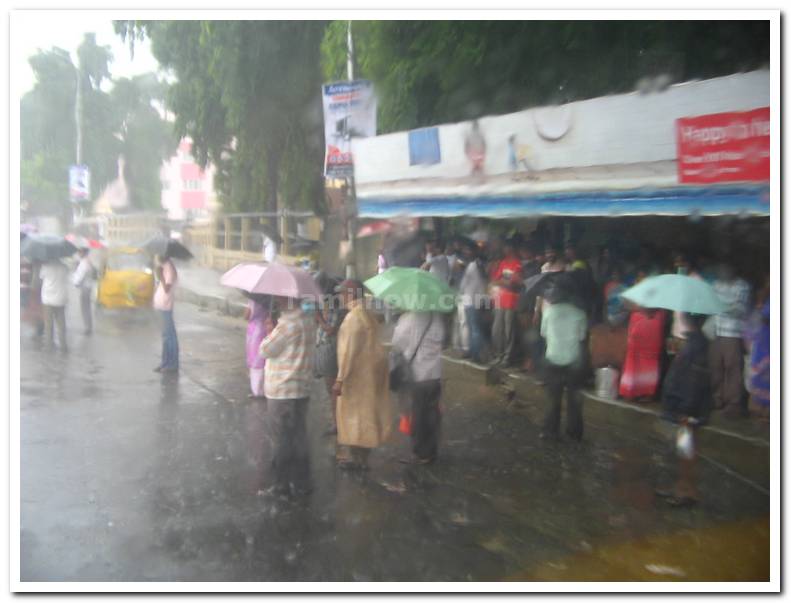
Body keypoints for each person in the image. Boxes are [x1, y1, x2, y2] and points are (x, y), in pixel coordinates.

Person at [258, 296, 316, 497]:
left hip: (283, 391)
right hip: (301, 389)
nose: (277, 300)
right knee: (298, 438)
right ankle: (302, 483)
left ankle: (280, 484)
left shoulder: (287, 324)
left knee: (281, 440)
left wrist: (269, 331)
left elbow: (265, 350)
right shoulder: (308, 320)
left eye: (281, 297)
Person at [332, 280, 392, 470]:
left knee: (353, 418)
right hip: (370, 374)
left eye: (342, 293)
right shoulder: (367, 314)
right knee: (366, 417)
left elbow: (348, 352)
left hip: (356, 377)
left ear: (350, 294)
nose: (340, 297)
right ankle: (362, 458)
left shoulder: (353, 319)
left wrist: (340, 379)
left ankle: (357, 460)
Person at [657, 313, 712, 507]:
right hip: (685, 406)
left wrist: (686, 409)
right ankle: (681, 485)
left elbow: (694, 380)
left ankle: (687, 490)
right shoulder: (693, 342)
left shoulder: (698, 346)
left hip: (689, 408)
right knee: (683, 450)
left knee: (687, 450)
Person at [392, 309, 446, 465]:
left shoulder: (409, 317)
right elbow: (441, 339)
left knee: (418, 415)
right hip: (434, 373)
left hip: (417, 374)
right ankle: (431, 450)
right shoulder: (436, 317)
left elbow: (398, 342)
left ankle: (420, 453)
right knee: (432, 414)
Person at [539, 278, 588, 441]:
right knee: (574, 400)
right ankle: (574, 433)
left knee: (553, 398)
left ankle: (550, 431)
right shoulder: (580, 313)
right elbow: (582, 337)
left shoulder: (548, 312)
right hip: (574, 361)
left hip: (552, 358)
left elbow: (543, 334)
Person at [710, 264, 751, 417]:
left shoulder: (742, 285)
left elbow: (739, 309)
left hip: (732, 333)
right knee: (716, 367)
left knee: (733, 369)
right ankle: (716, 399)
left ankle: (733, 404)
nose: (724, 270)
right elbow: (710, 304)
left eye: (727, 268)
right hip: (716, 330)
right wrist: (724, 306)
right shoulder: (716, 284)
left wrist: (719, 306)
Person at [314, 276, 347, 435]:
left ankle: (338, 424)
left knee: (333, 390)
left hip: (330, 350)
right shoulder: (329, 306)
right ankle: (337, 422)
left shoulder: (338, 308)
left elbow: (330, 330)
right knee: (331, 390)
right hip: (325, 349)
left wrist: (318, 317)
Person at [619, 307, 667, 402]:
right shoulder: (661, 314)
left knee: (635, 365)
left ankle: (631, 392)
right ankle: (646, 393)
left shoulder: (636, 313)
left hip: (641, 331)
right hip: (652, 333)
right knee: (648, 365)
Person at [490, 239, 523, 367]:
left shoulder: (517, 264)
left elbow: (513, 283)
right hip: (499, 300)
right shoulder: (503, 263)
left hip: (511, 301)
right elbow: (494, 280)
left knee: (509, 330)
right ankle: (499, 355)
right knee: (497, 329)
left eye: (506, 248)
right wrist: (504, 282)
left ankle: (507, 358)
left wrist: (503, 282)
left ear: (511, 249)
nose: (504, 250)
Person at [458, 242, 488, 363]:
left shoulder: (473, 266)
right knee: (472, 328)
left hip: (471, 301)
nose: (466, 252)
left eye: (468, 250)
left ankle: (477, 354)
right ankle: (473, 352)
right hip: (472, 300)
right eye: (465, 250)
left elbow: (464, 285)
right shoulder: (477, 265)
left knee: (474, 328)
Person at [153, 253, 179, 373]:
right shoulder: (164, 266)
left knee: (169, 337)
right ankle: (165, 362)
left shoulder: (169, 268)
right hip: (160, 305)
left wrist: (160, 276)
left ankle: (172, 364)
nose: (157, 256)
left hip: (165, 306)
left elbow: (167, 288)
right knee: (165, 336)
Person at [243, 294, 271, 399]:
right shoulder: (269, 299)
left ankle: (257, 391)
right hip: (265, 328)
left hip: (254, 330)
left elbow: (246, 316)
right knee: (263, 359)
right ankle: (265, 388)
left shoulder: (253, 299)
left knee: (254, 360)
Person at [39, 258, 70, 351]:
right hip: (60, 298)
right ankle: (63, 344)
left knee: (48, 323)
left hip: (48, 298)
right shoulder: (64, 267)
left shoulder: (45, 267)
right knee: (61, 323)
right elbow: (66, 278)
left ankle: (49, 344)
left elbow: (41, 277)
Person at [748, 299, 770, 421]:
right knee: (759, 377)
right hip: (762, 347)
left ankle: (766, 412)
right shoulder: (768, 303)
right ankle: (760, 409)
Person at [71, 247, 96, 335]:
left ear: (83, 253)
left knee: (85, 308)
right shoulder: (88, 262)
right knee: (87, 308)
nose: (78, 254)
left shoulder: (84, 263)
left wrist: (75, 283)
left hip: (85, 288)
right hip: (88, 287)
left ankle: (87, 328)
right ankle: (88, 326)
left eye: (80, 252)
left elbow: (80, 275)